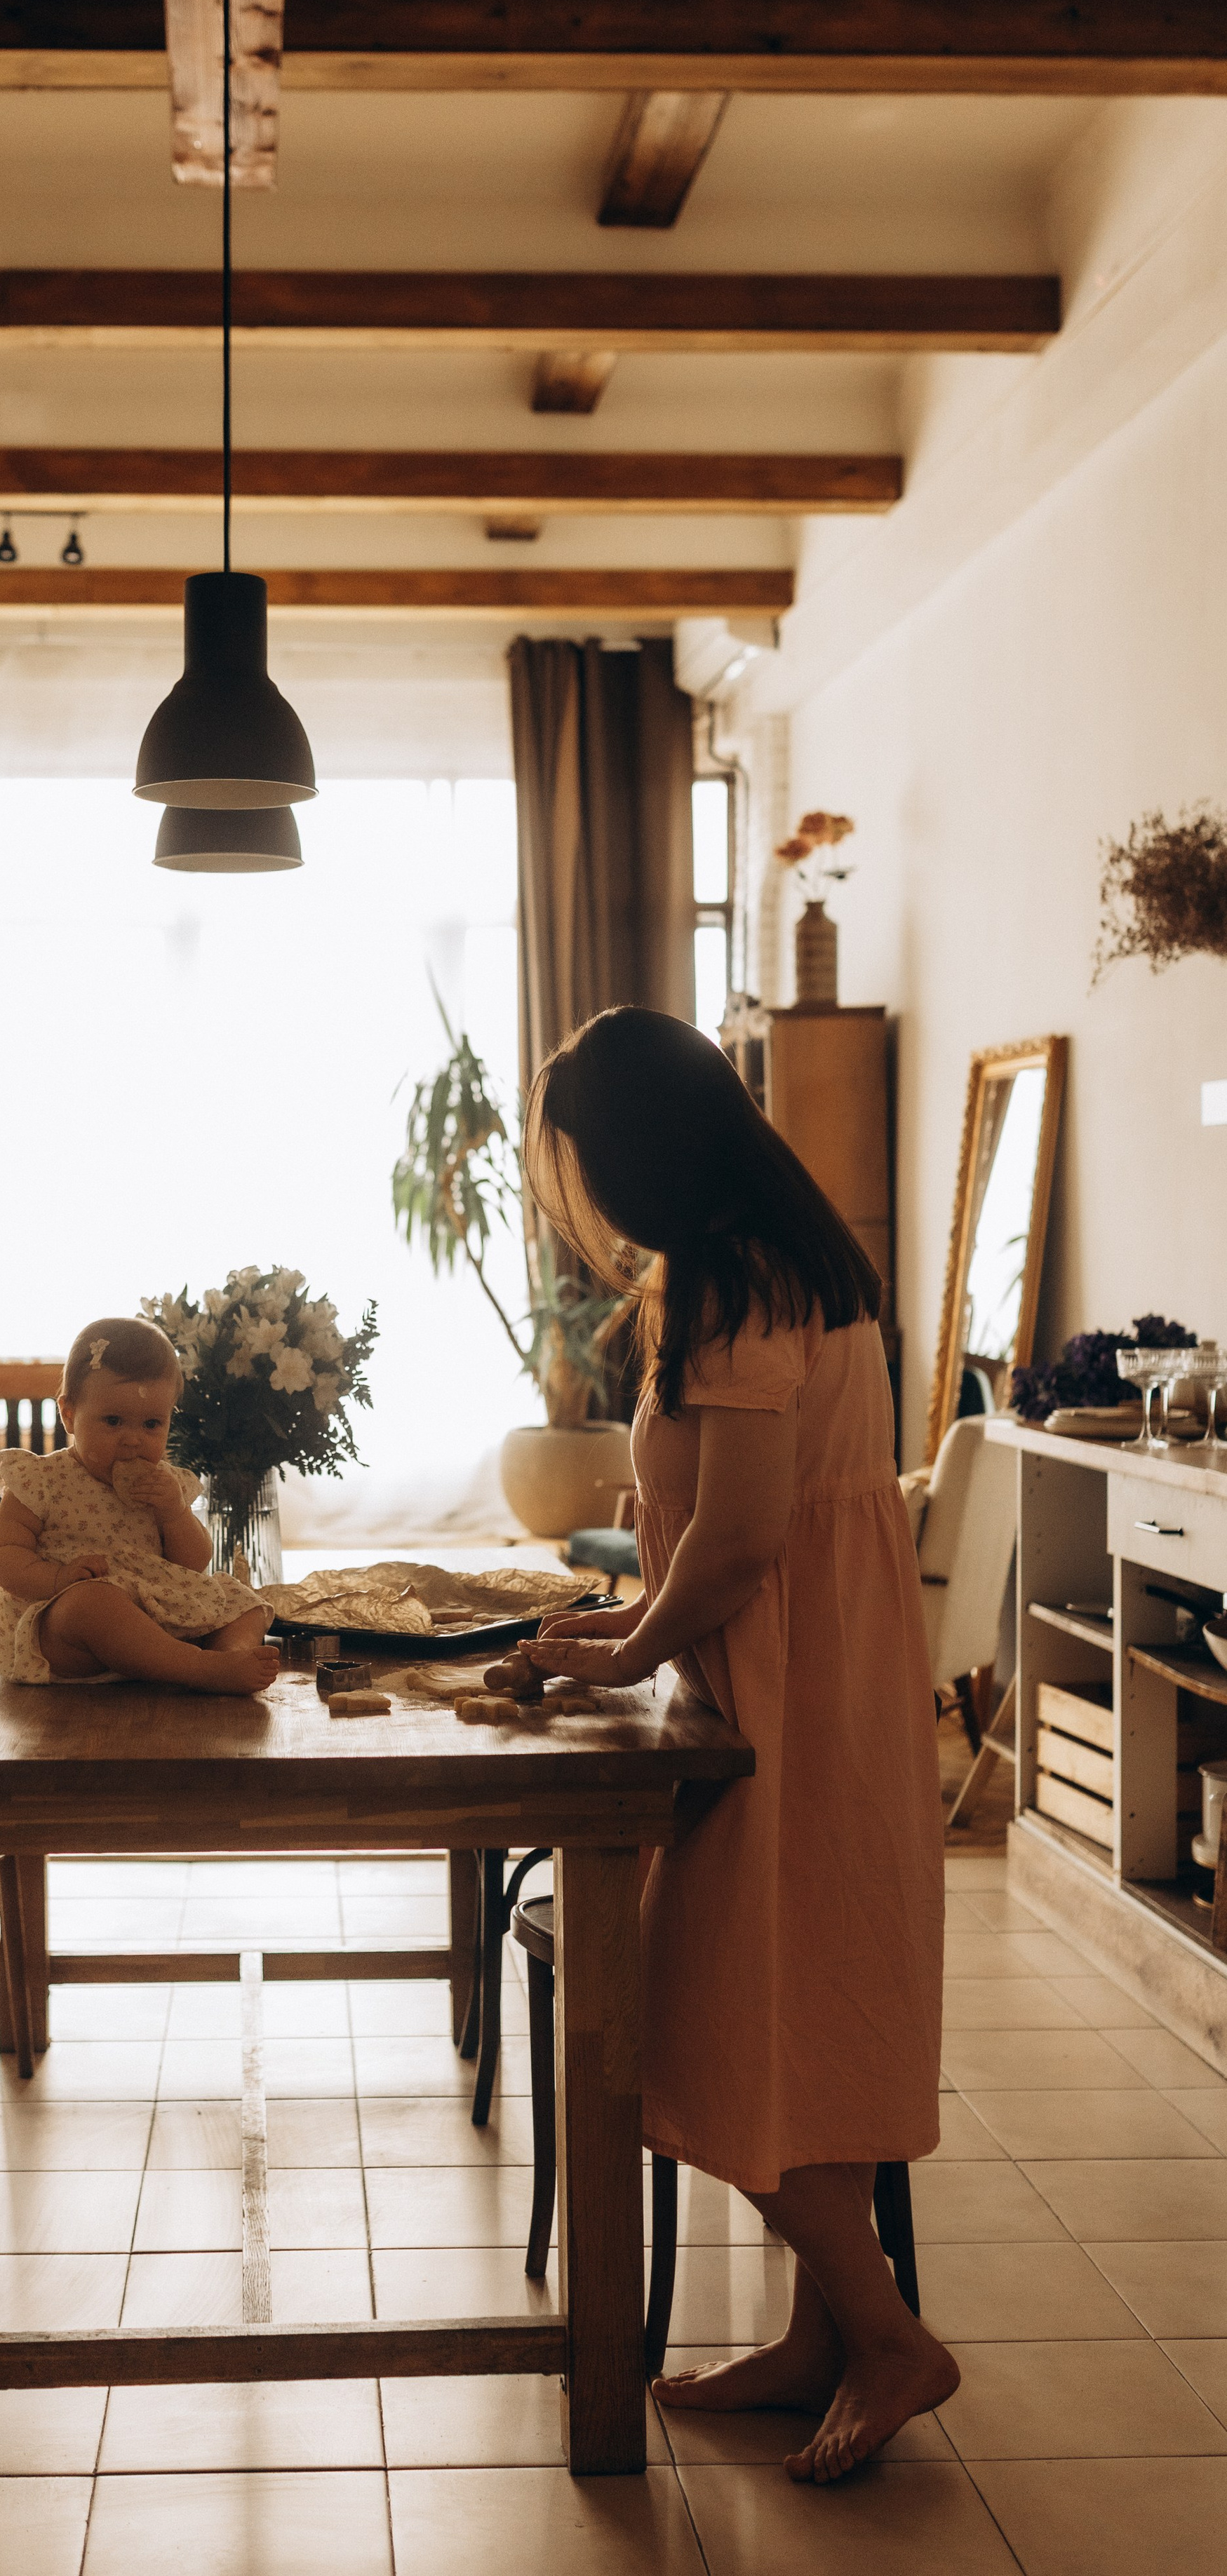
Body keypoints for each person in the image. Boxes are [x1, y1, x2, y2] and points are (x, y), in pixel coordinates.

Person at [520, 1006, 956, 2485]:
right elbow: (717, 1525)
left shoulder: (736, 1278)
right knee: (791, 2004)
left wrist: (635, 1644)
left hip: (795, 1693)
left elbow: (748, 1532)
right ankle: (813, 2342)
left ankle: (885, 2336)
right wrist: (626, 1625)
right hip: (794, 1669)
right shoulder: (766, 1252)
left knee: (722, 2007)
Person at [0, 1316, 279, 1696]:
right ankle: (199, 1667)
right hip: (66, 1633)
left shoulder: (165, 1486)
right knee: (94, 1604)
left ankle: (229, 1655)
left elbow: (194, 1561)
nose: (133, 1440)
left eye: (152, 1424)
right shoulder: (42, 1480)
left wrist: (174, 1513)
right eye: (114, 1421)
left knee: (243, 1600)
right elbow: (2, 1553)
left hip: (154, 1613)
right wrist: (57, 1579)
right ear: (69, 1414)